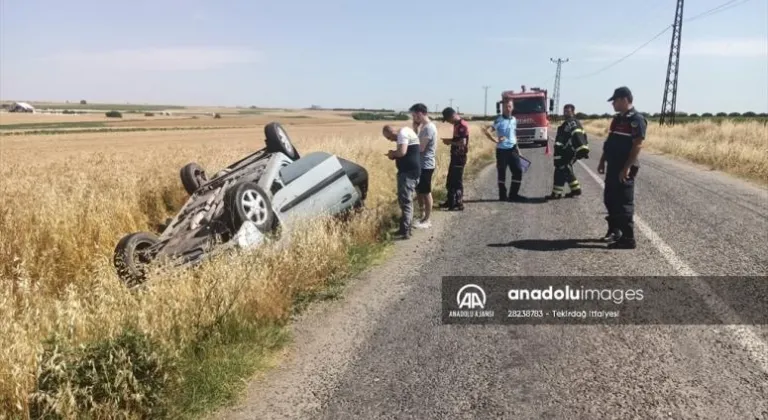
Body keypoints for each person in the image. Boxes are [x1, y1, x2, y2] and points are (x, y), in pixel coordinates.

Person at [598, 86, 647, 249]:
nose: (613, 105)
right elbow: (609, 141)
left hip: (624, 166)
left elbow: (637, 145)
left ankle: (628, 238)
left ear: (625, 100)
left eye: (615, 101)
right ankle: (615, 230)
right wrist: (602, 160)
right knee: (610, 199)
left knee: (624, 202)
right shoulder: (618, 119)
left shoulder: (636, 119)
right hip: (613, 165)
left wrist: (626, 167)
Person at [482, 99, 527, 201]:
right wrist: (495, 139)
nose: (508, 108)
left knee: (518, 171)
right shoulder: (499, 120)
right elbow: (487, 131)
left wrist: (518, 150)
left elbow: (514, 135)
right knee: (502, 173)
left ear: (512, 107)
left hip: (513, 149)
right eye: (506, 106)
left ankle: (513, 195)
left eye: (509, 106)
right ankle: (502, 196)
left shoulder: (514, 120)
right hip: (502, 151)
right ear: (503, 108)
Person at [383, 124, 421, 239]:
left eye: (389, 137)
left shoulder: (402, 134)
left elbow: (402, 152)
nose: (390, 140)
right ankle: (405, 228)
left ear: (392, 132)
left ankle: (405, 230)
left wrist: (392, 154)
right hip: (411, 171)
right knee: (406, 200)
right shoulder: (407, 131)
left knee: (406, 201)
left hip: (408, 173)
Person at [547, 103, 589, 200]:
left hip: (569, 152)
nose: (565, 113)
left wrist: (582, 149)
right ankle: (575, 190)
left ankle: (556, 194)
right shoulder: (566, 123)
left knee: (561, 169)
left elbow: (578, 136)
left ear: (573, 112)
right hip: (563, 152)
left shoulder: (573, 123)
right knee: (566, 169)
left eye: (568, 112)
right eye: (564, 111)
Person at [409, 103, 437, 229]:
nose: (413, 118)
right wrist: (415, 128)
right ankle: (422, 215)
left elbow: (420, 148)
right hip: (421, 164)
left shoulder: (429, 128)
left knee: (426, 192)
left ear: (420, 113)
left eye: (414, 115)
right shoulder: (423, 127)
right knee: (419, 191)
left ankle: (427, 219)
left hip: (426, 164)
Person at [438, 107, 469, 210]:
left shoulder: (462, 125)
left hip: (459, 157)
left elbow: (462, 143)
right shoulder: (456, 124)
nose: (448, 122)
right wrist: (449, 140)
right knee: (450, 180)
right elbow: (458, 139)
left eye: (447, 120)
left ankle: (458, 203)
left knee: (457, 181)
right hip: (455, 155)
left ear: (452, 116)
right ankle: (451, 201)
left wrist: (449, 142)